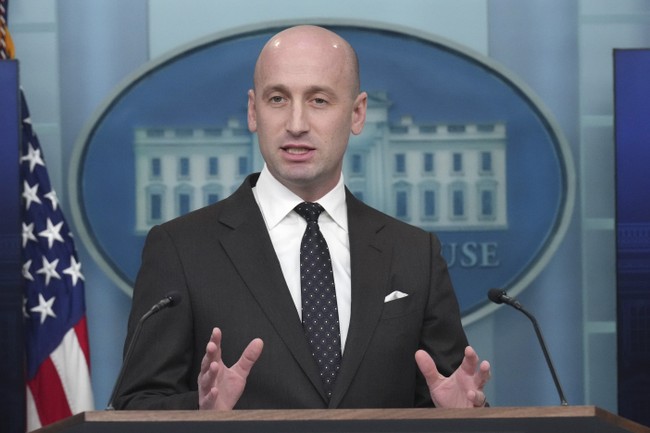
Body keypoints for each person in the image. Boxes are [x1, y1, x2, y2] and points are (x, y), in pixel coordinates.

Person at [113, 24, 490, 411]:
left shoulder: (414, 254)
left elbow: (452, 395)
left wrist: (464, 417)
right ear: (253, 111)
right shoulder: (180, 249)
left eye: (319, 100)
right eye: (277, 99)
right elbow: (136, 405)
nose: (296, 124)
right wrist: (202, 412)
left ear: (357, 113)